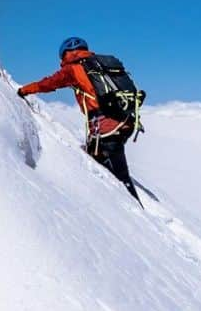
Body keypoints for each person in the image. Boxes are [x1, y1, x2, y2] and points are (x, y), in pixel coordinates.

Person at [17, 37, 143, 202]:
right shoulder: (99, 63)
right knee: (107, 165)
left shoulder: (73, 69)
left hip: (106, 126)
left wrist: (24, 90)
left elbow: (48, 83)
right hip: (125, 119)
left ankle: (137, 218)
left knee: (119, 177)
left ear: (65, 53)